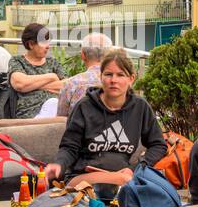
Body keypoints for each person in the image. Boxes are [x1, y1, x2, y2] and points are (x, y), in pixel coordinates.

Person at [44, 50, 165, 188]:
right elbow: (69, 147)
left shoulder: (140, 107)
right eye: (108, 74)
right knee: (127, 182)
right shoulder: (84, 106)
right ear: (101, 76)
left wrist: (137, 167)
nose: (113, 80)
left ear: (131, 79)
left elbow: (158, 145)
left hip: (123, 178)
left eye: (120, 75)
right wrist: (59, 164)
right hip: (81, 179)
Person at [7, 22, 65, 119]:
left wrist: (33, 85)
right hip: (29, 114)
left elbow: (65, 86)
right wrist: (52, 77)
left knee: (53, 103)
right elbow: (20, 84)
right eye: (44, 42)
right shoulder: (17, 61)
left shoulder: (53, 62)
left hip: (54, 110)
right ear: (31, 44)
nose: (48, 46)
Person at [56, 33, 111, 116]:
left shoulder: (71, 84)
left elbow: (61, 119)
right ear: (109, 55)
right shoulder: (120, 81)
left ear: (82, 55)